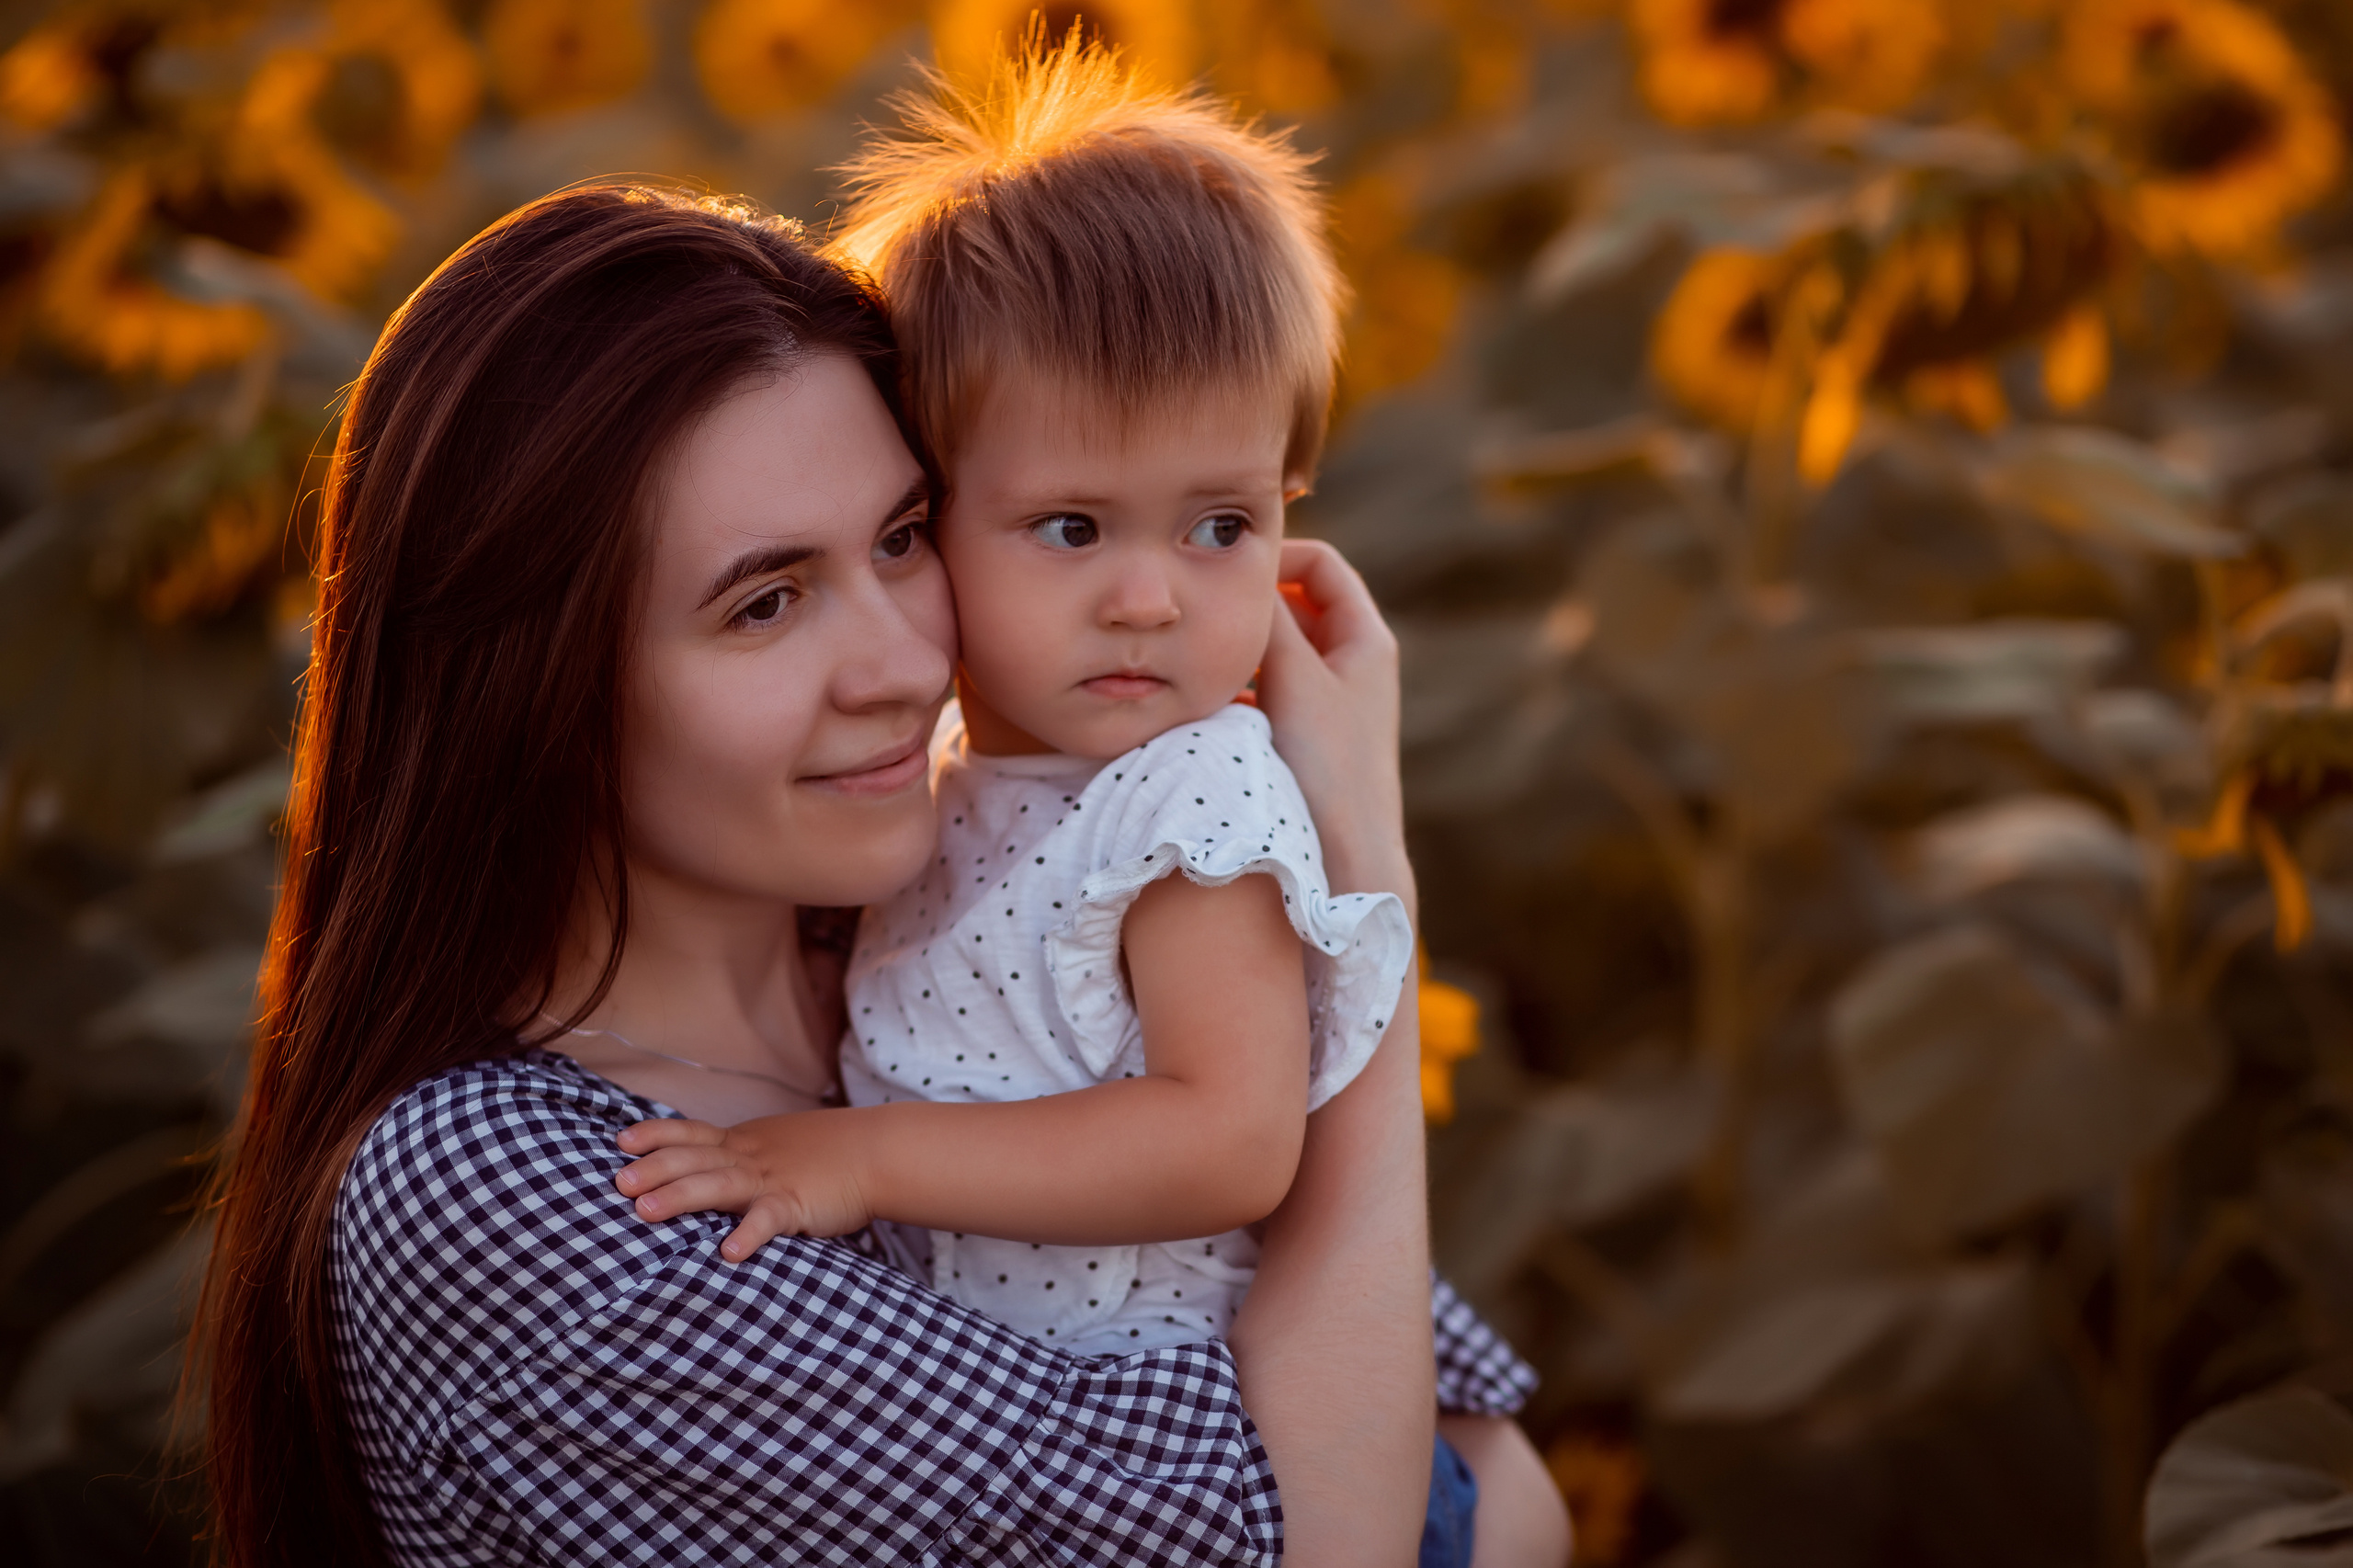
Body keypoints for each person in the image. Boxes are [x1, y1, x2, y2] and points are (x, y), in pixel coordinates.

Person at [191, 185, 1549, 1567]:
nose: (907, 664)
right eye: (765, 602)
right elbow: (1339, 1535)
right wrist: (1360, 870)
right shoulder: (500, 1188)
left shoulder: (926, 932)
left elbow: (1498, 1462)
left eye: (901, 539)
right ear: (531, 688)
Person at [609, 44, 1568, 1568]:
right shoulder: (945, 788)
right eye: (1070, 525)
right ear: (926, 519)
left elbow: (1227, 1139)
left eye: (1221, 524)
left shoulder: (1193, 795)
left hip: (1249, 1457)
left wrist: (859, 1166)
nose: (1148, 597)